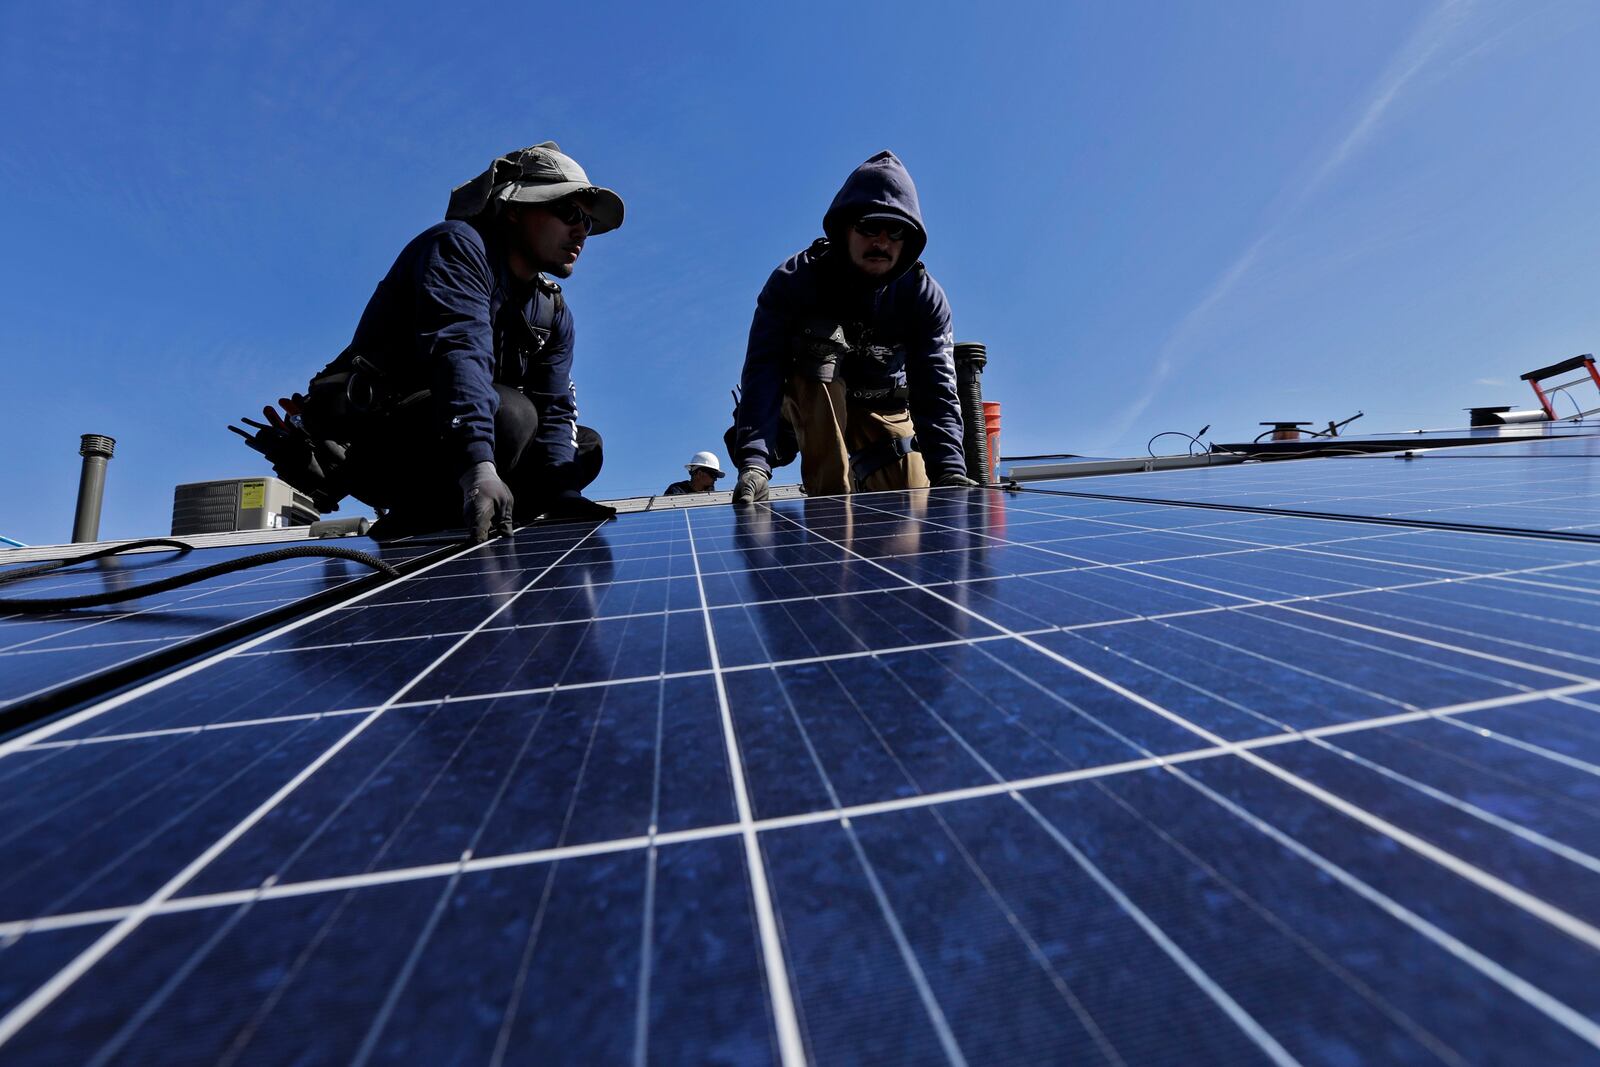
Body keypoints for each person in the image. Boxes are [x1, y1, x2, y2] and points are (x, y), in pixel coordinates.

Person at [239, 142, 622, 541]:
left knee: (582, 450)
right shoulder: (457, 247)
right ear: (514, 208)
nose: (581, 230)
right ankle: (416, 522)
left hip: (469, 434)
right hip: (386, 445)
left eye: (588, 222)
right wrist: (478, 467)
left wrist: (561, 493)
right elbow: (460, 357)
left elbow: (556, 404)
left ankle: (485, 509)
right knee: (510, 415)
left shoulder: (552, 310)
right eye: (568, 212)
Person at [725, 150, 977, 505]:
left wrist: (949, 468)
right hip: (811, 399)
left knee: (914, 510)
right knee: (820, 362)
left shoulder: (924, 297)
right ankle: (830, 520)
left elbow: (935, 387)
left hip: (881, 404)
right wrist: (754, 462)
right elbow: (762, 371)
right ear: (846, 228)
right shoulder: (794, 282)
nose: (882, 242)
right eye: (870, 227)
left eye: (896, 231)